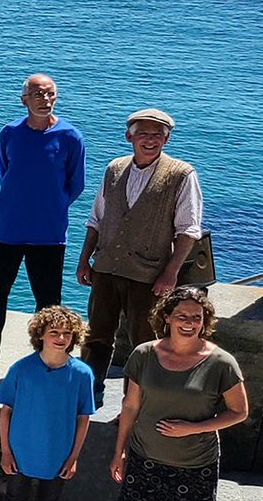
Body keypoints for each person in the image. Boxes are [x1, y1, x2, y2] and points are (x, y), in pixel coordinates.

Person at [110, 287, 247, 501]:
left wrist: (193, 428)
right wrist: (119, 451)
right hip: (145, 455)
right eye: (182, 316)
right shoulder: (143, 354)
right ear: (167, 318)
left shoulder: (221, 363)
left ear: (205, 321)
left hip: (195, 463)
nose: (189, 322)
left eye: (196, 317)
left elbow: (239, 412)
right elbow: (130, 406)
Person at [78, 108, 205, 398]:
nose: (150, 140)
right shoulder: (114, 169)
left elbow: (188, 230)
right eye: (143, 134)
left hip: (148, 275)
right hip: (106, 268)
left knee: (145, 343)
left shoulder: (181, 175)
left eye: (158, 135)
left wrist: (170, 273)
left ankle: (136, 402)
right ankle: (89, 393)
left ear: (166, 139)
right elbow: (96, 219)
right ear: (129, 137)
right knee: (96, 336)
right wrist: (85, 260)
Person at [0, 75, 88, 366]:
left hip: (49, 233)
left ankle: (45, 353)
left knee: (48, 299)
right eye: (37, 94)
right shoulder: (10, 133)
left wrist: (52, 205)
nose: (45, 99)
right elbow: (5, 174)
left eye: (50, 94)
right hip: (7, 227)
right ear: (24, 99)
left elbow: (75, 184)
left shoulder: (70, 137)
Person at [0, 305, 94, 501]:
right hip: (21, 450)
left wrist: (74, 457)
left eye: (67, 333)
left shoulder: (82, 373)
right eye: (54, 332)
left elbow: (83, 418)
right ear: (41, 335)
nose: (61, 338)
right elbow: (6, 411)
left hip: (58, 452)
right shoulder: (22, 368)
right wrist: (6, 451)